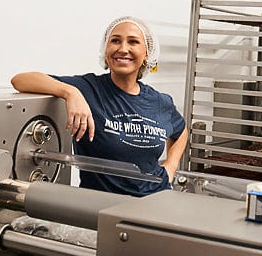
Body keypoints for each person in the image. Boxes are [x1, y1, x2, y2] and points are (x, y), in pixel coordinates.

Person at [11, 16, 188, 197]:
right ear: (105, 51)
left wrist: (170, 167)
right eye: (115, 41)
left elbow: (181, 132)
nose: (123, 49)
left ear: (147, 54)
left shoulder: (160, 102)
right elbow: (20, 80)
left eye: (133, 42)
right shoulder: (89, 89)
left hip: (156, 199)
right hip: (101, 205)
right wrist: (70, 92)